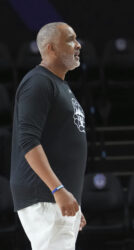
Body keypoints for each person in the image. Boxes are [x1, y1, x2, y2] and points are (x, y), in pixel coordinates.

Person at [10, 22, 87, 250]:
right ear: (51, 48)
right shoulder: (38, 82)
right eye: (71, 39)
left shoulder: (58, 84)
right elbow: (28, 141)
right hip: (45, 194)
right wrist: (57, 190)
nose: (78, 45)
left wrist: (72, 200)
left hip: (55, 198)